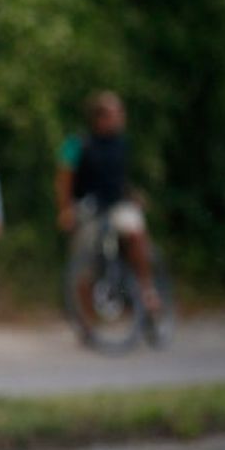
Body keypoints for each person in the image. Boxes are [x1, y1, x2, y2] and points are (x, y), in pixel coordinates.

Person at [55, 90, 161, 316]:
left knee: (135, 230)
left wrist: (132, 194)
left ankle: (147, 289)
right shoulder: (76, 143)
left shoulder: (121, 144)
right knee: (83, 257)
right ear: (99, 118)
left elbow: (118, 179)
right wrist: (65, 209)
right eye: (115, 114)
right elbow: (63, 179)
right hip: (89, 208)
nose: (121, 118)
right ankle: (85, 315)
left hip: (116, 205)